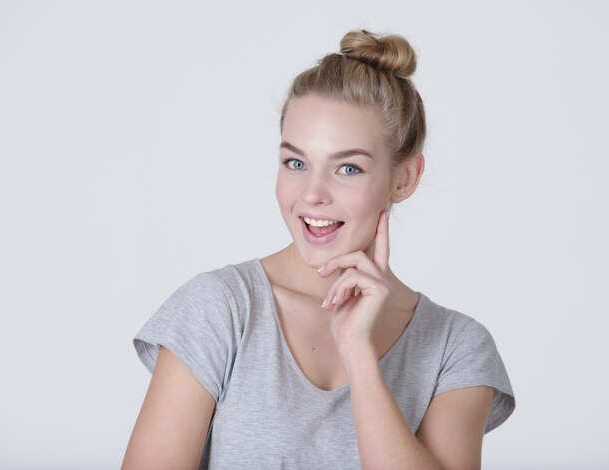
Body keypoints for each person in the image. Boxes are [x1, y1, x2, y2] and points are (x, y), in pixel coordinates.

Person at [122, 29, 515, 469]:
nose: (312, 194)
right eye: (296, 163)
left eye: (347, 168)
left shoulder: (455, 348)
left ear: (403, 179)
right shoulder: (220, 310)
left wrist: (359, 355)